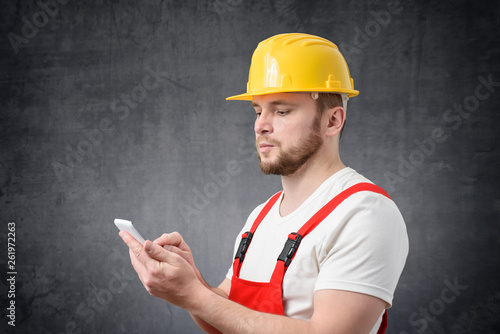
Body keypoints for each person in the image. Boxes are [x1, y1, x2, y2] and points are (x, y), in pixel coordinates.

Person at [119, 33, 409, 334]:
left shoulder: (366, 214)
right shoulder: (260, 216)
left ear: (332, 121)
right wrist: (193, 284)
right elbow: (226, 318)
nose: (260, 125)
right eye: (258, 111)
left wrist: (195, 296)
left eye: (281, 111)